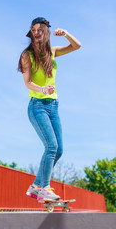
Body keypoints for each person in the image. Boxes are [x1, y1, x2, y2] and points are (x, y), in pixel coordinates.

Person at [18, 17, 81, 201]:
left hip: (54, 106)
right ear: (31, 32)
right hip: (37, 106)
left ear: (45, 33)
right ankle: (44, 187)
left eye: (40, 30)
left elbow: (77, 46)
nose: (36, 32)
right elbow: (28, 83)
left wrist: (66, 34)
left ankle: (35, 186)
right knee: (51, 146)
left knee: (59, 149)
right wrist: (43, 89)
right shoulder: (26, 55)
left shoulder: (51, 52)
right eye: (33, 29)